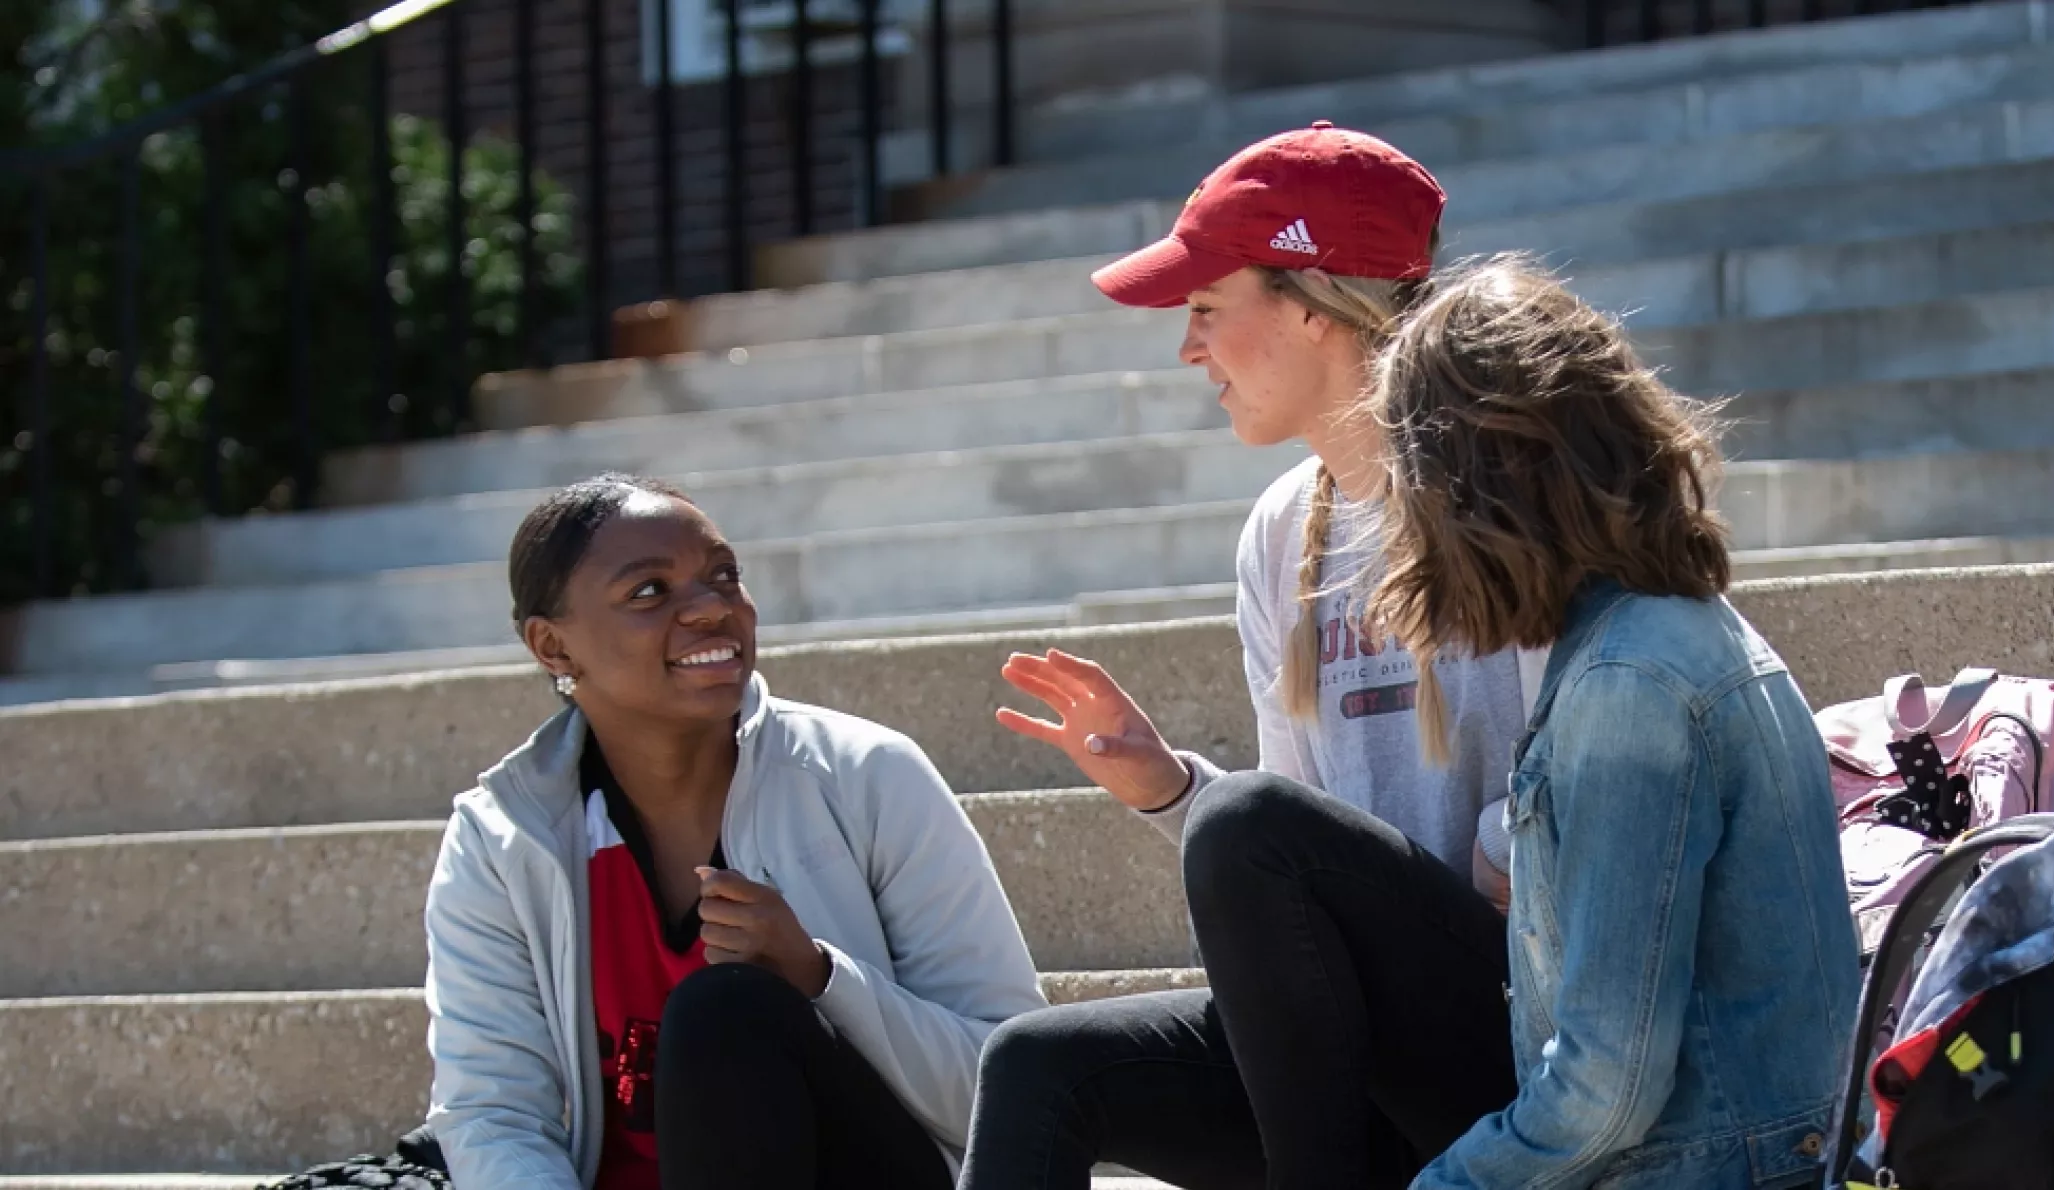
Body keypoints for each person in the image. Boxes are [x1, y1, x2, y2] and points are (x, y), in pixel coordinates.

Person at [957, 124, 1536, 1190]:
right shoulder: (1282, 529)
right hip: (1366, 1047)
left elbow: (1611, 779)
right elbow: (1304, 850)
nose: (1188, 348)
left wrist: (1507, 849)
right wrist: (1170, 786)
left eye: (1206, 308)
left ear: (1313, 308)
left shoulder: (1514, 495)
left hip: (1524, 1033)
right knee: (1039, 1063)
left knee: (1246, 824)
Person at [1369, 257, 1861, 1188]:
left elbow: (1609, 1087)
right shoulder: (1678, 631)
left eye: (1409, 488)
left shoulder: (1628, 685)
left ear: (1469, 492)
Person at [422, 473, 1049, 1190]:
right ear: (552, 646)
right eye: (650, 592)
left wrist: (820, 977)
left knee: (728, 1012)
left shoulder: (866, 775)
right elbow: (492, 1115)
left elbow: (1013, 1082)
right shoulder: (504, 838)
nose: (712, 608)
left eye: (724, 576)